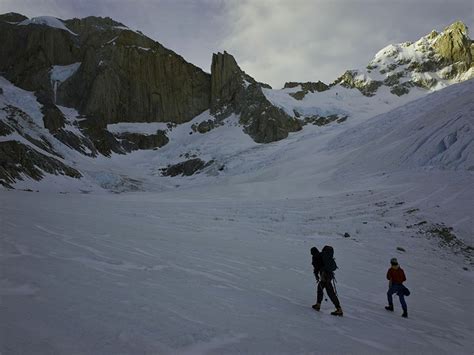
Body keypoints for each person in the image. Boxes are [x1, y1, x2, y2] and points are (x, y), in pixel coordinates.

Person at [311, 246, 343, 316]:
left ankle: (339, 309)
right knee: (322, 289)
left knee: (329, 292)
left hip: (325, 276)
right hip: (327, 275)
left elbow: (317, 268)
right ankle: (318, 305)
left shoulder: (318, 257)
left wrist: (317, 275)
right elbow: (318, 268)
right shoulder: (321, 256)